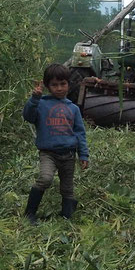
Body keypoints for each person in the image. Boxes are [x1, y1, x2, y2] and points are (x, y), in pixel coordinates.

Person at [21, 63, 89, 223]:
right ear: (47, 86)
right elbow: (28, 116)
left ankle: (66, 215)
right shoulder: (41, 103)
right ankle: (30, 213)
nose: (59, 88)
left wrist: (83, 154)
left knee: (67, 188)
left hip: (69, 154)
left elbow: (80, 133)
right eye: (54, 85)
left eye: (63, 84)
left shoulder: (73, 109)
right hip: (48, 153)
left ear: (68, 84)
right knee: (45, 179)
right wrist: (34, 99)